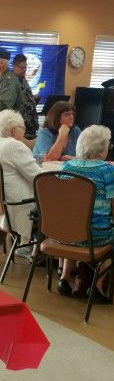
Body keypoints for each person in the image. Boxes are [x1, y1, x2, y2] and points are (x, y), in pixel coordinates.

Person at [57, 125, 114, 300]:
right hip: (95, 235)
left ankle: (64, 278)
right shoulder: (107, 170)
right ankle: (97, 287)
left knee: (74, 224)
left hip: (64, 233)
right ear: (101, 150)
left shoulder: (67, 166)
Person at [0, 109, 42, 246]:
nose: (24, 132)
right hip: (14, 206)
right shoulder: (15, 146)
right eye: (23, 128)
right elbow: (38, 178)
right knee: (53, 202)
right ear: (14, 130)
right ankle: (35, 249)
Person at [11, 53, 40, 145]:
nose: (24, 70)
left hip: (31, 127)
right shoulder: (9, 81)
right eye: (22, 68)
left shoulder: (23, 79)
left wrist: (33, 99)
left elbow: (25, 99)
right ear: (14, 66)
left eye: (26, 67)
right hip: (19, 127)